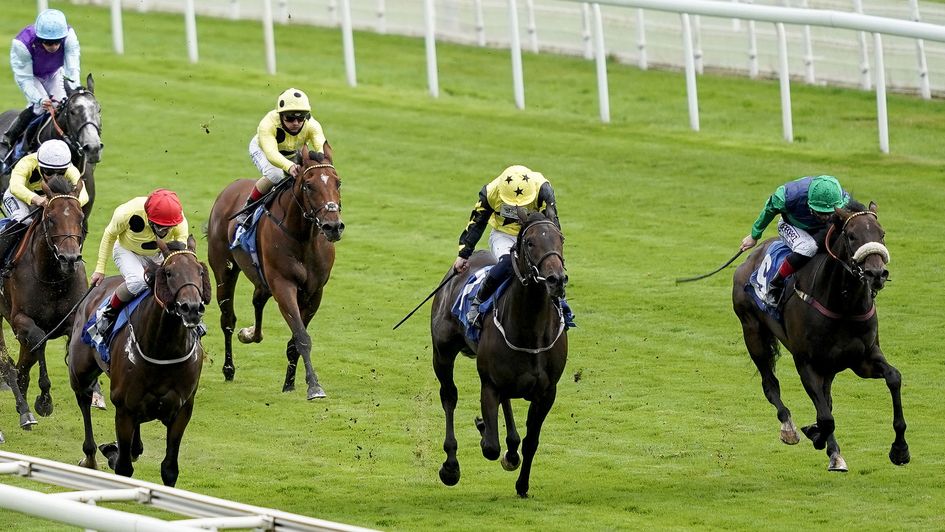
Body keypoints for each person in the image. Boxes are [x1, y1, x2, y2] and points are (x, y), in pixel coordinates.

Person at [452, 165, 560, 327]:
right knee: (508, 263)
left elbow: (553, 222)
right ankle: (477, 302)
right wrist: (463, 254)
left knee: (550, 267)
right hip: (504, 235)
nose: (517, 206)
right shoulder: (490, 192)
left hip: (535, 235)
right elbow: (477, 222)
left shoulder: (543, 188)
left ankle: (562, 308)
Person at [740, 174, 850, 306]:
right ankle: (776, 284)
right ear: (809, 203)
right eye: (820, 212)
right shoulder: (787, 196)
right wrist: (754, 236)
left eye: (829, 213)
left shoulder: (842, 198)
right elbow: (769, 209)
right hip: (792, 225)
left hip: (822, 229)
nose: (825, 217)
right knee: (808, 247)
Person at [89, 189, 189, 333]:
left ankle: (190, 318)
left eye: (168, 228)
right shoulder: (126, 213)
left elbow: (179, 253)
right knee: (138, 281)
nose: (164, 231)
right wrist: (100, 269)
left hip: (158, 253)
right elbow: (109, 235)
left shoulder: (179, 222)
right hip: (127, 251)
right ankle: (108, 313)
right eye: (159, 226)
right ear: (148, 217)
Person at [235, 88, 329, 228]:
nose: (296, 123)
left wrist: (321, 162)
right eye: (290, 118)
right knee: (276, 174)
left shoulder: (313, 125)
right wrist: (289, 166)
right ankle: (248, 209)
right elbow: (271, 153)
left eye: (300, 118)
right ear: (281, 115)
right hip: (263, 150)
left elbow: (321, 146)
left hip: (292, 152)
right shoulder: (268, 124)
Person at [0, 9, 81, 161]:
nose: (54, 46)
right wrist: (39, 99)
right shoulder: (22, 44)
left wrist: (74, 89)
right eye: (48, 42)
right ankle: (11, 141)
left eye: (57, 41)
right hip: (32, 77)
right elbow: (25, 79)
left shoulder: (70, 36)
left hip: (55, 73)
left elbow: (72, 68)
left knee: (64, 106)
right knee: (39, 107)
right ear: (39, 38)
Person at [0, 138, 87, 275]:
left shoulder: (71, 170)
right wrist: (37, 199)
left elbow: (84, 195)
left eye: (60, 172)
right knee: (24, 219)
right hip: (19, 196)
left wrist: (67, 205)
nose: (53, 177)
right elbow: (16, 186)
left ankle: (73, 254)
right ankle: (5, 261)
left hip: (52, 201)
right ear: (40, 165)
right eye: (49, 172)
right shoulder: (27, 163)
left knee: (74, 220)